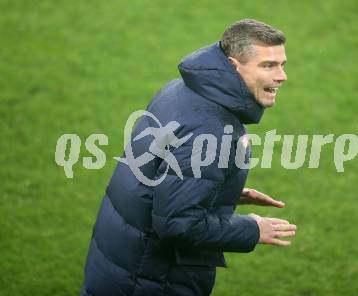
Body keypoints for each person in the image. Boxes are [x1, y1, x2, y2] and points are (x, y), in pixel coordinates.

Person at [80, 19, 296, 296]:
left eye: (282, 64)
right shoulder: (213, 129)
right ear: (233, 65)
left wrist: (222, 192)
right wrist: (252, 230)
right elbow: (178, 224)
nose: (282, 76)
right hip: (152, 279)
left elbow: (159, 172)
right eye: (268, 65)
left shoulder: (180, 90)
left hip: (122, 259)